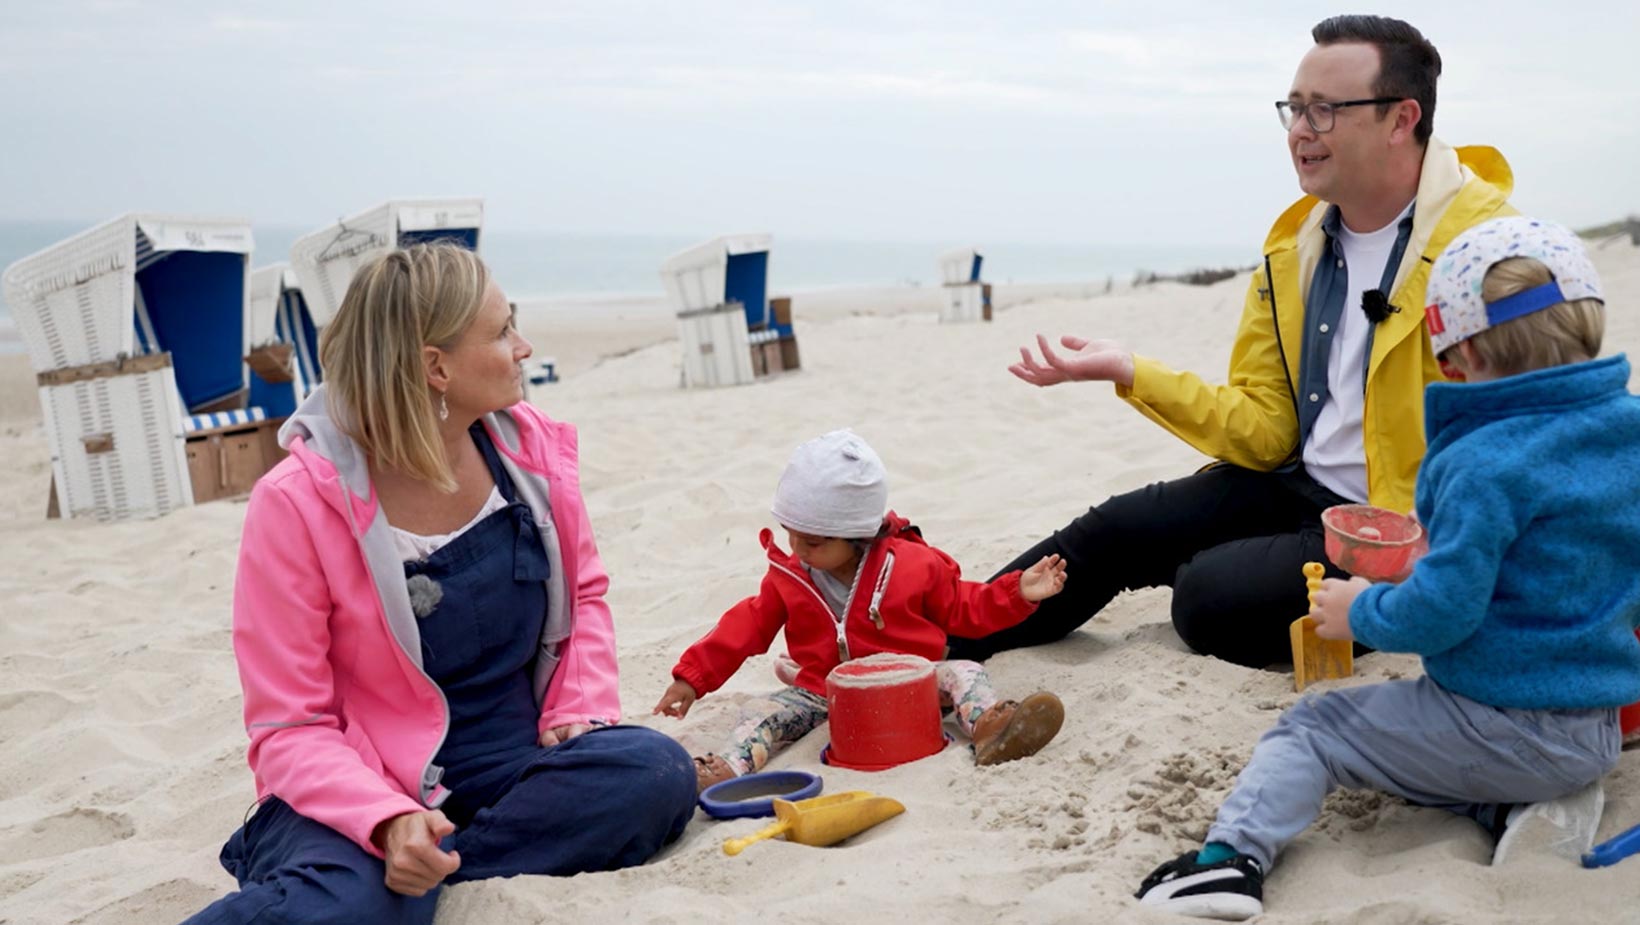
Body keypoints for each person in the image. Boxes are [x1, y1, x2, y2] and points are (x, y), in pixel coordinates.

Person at [946, 15, 1518, 668]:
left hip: (1404, 536)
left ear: (1400, 119)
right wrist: (1131, 370)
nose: (1301, 130)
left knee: (1204, 595)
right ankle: (933, 639)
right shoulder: (1292, 250)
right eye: (1294, 109)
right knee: (1114, 531)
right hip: (1299, 489)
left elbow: (1535, 436)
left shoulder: (1492, 250)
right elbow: (1269, 429)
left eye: (1325, 110)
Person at [1133, 216, 1640, 919]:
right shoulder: (1628, 432)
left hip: (1504, 721)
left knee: (1316, 728)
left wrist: (1359, 608)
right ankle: (1512, 808)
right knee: (1408, 748)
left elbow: (1443, 614)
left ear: (1458, 356)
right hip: (1598, 727)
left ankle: (1227, 863)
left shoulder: (1482, 461)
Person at [187, 244, 696, 924]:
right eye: (503, 330)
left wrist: (578, 703)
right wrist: (387, 818)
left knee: (654, 772)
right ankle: (377, 876)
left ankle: (424, 875)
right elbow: (289, 727)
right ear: (436, 367)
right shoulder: (297, 501)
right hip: (356, 779)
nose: (523, 346)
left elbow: (587, 598)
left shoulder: (530, 453)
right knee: (352, 902)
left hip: (511, 763)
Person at [652, 430, 1069, 788]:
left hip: (913, 683)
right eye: (791, 534)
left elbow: (965, 606)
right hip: (824, 692)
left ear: (856, 535)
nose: (797, 549)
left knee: (967, 672)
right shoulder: (790, 575)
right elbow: (745, 626)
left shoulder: (913, 565)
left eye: (813, 542)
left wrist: (1019, 593)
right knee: (761, 712)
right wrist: (692, 678)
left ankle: (989, 728)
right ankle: (727, 769)